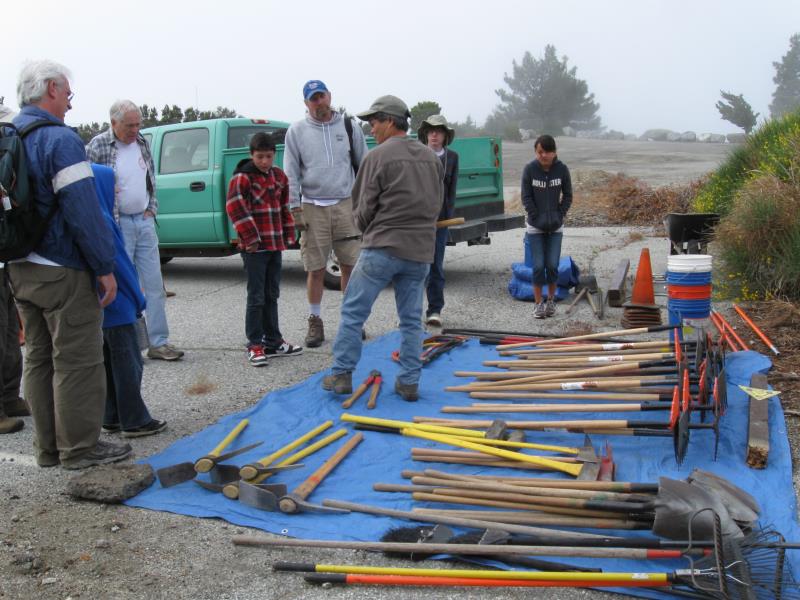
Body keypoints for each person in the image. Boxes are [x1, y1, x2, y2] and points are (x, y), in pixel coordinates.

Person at [9, 59, 132, 468]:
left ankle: (48, 448)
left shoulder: (10, 135)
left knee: (40, 359)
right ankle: (80, 447)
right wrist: (104, 266)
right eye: (67, 95)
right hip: (62, 267)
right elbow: (83, 209)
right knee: (78, 360)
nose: (69, 105)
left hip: (20, 265)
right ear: (49, 89)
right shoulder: (59, 140)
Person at [321, 95, 442, 402]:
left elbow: (361, 210)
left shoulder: (377, 158)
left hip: (383, 249)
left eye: (374, 123)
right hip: (419, 252)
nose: (371, 129)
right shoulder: (431, 158)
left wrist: (365, 228)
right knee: (412, 320)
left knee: (353, 312)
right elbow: (436, 205)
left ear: (390, 121)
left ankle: (341, 375)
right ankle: (409, 383)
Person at [86, 100, 184, 361]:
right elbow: (86, 184)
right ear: (113, 123)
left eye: (138, 124)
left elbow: (150, 176)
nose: (135, 130)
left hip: (144, 220)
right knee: (124, 286)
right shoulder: (97, 145)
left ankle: (158, 342)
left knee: (153, 284)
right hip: (118, 225)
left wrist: (151, 207)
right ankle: (125, 345)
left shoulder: (141, 142)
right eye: (130, 125)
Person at [283, 80, 369, 348]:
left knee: (350, 266)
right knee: (316, 268)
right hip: (312, 207)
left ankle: (352, 320)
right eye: (313, 99)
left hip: (346, 205)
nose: (319, 102)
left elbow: (364, 164)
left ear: (330, 96)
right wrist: (294, 207)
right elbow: (291, 172)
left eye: (322, 96)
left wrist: (364, 202)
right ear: (306, 103)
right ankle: (315, 321)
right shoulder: (296, 131)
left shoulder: (348, 126)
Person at [92, 164, 167, 437]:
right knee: (128, 363)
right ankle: (135, 419)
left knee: (109, 362)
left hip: (103, 309)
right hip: (119, 305)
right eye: (113, 184)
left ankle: (111, 415)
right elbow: (122, 268)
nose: (117, 188)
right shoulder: (104, 221)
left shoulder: (91, 219)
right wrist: (138, 298)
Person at [226, 132, 302, 366]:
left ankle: (274, 340)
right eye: (260, 157)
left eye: (269, 157)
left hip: (274, 244)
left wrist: (289, 233)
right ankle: (255, 344)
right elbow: (235, 207)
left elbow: (283, 207)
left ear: (274, 155)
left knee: (272, 294)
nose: (264, 162)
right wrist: (251, 238)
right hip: (254, 248)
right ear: (251, 155)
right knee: (256, 297)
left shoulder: (279, 177)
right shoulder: (242, 178)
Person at [520, 134, 572, 319]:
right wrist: (535, 215)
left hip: (555, 227)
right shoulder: (530, 170)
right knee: (538, 266)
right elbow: (526, 197)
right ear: (536, 152)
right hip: (535, 228)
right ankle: (537, 304)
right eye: (540, 152)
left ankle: (550, 301)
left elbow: (568, 195)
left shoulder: (562, 170)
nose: (543, 155)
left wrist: (560, 214)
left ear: (554, 152)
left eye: (547, 152)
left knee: (552, 266)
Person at [417, 115, 459, 328]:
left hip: (440, 223)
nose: (434, 134)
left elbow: (452, 191)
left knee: (436, 267)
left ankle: (435, 310)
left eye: (439, 130)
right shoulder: (417, 154)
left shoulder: (452, 157)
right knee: (414, 268)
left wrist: (447, 217)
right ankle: (411, 313)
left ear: (444, 135)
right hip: (417, 222)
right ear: (426, 134)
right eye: (431, 130)